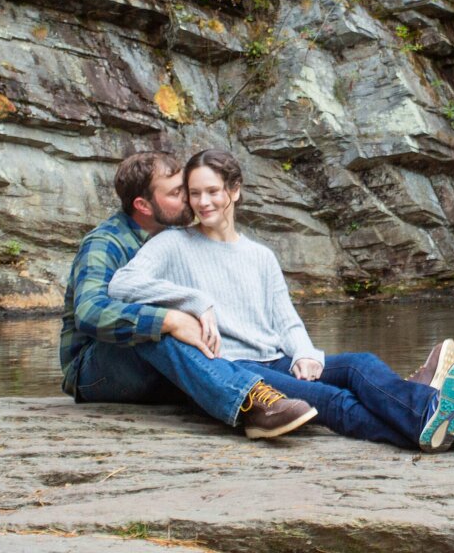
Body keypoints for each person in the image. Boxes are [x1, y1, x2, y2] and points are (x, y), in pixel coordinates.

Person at [107, 148, 454, 452]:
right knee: (333, 399)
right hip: (238, 369)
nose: (204, 202)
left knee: (358, 364)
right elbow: (122, 284)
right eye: (195, 194)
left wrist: (304, 354)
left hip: (275, 356)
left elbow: (286, 320)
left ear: (234, 191)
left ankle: (436, 415)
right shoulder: (174, 243)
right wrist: (194, 299)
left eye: (212, 191)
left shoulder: (260, 255)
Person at [59, 151, 318, 438]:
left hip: (162, 368)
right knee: (156, 327)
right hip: (96, 371)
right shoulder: (105, 243)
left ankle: (279, 395)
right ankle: (248, 405)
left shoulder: (178, 238)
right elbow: (89, 312)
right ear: (143, 205)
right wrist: (169, 319)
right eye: (176, 192)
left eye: (186, 189)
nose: (190, 199)